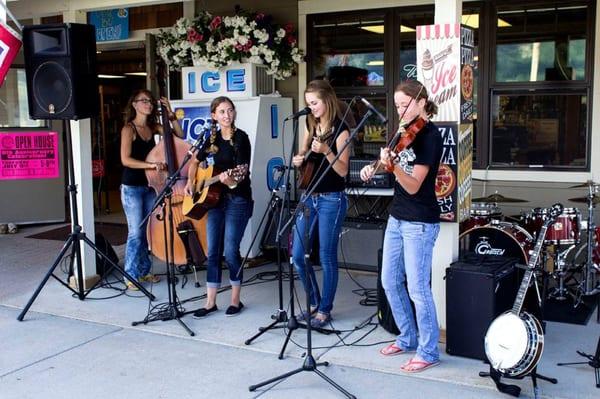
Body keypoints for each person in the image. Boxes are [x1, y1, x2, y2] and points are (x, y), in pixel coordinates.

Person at [360, 80, 442, 373]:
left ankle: (429, 350)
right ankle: (407, 337)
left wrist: (393, 168)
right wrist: (376, 167)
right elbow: (392, 161)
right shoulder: (403, 132)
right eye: (396, 105)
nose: (399, 110)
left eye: (404, 104)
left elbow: (413, 183)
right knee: (389, 281)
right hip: (397, 217)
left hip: (420, 221)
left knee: (418, 289)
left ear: (421, 102)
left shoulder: (429, 137)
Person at [185, 96, 253, 317]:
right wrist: (190, 182)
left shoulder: (241, 139)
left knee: (231, 252)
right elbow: (195, 161)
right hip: (214, 201)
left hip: (237, 199)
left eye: (230, 111)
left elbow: (241, 174)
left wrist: (229, 180)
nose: (227, 115)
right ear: (213, 115)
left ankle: (235, 300)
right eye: (222, 112)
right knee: (212, 251)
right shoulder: (210, 140)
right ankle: (210, 303)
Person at [291, 79, 351, 328]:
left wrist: (327, 150)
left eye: (314, 103)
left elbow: (342, 171)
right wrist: (299, 158)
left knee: (326, 256)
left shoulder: (342, 129)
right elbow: (303, 154)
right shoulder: (310, 123)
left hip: (331, 198)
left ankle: (325, 310)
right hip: (309, 195)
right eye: (308, 103)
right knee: (297, 256)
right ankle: (315, 302)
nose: (311, 107)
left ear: (327, 100)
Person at [120, 89, 183, 291]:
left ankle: (145, 271)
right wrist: (150, 166)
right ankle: (130, 275)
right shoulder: (128, 129)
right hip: (132, 187)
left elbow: (179, 137)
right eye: (144, 101)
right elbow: (126, 160)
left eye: (150, 101)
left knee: (147, 231)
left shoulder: (154, 126)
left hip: (151, 185)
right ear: (135, 105)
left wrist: (171, 115)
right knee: (135, 232)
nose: (148, 104)